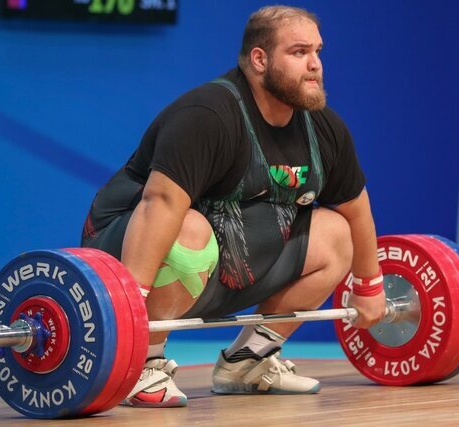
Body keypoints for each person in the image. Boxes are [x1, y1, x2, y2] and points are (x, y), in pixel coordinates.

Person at [81, 5, 386, 408]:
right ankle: (142, 361)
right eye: (299, 52)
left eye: (317, 51)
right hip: (123, 249)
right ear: (259, 60)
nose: (315, 64)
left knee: (336, 235)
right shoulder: (208, 115)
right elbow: (160, 204)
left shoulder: (324, 129)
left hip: (225, 258)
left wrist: (369, 286)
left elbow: (356, 208)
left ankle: (248, 360)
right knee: (189, 230)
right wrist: (128, 310)